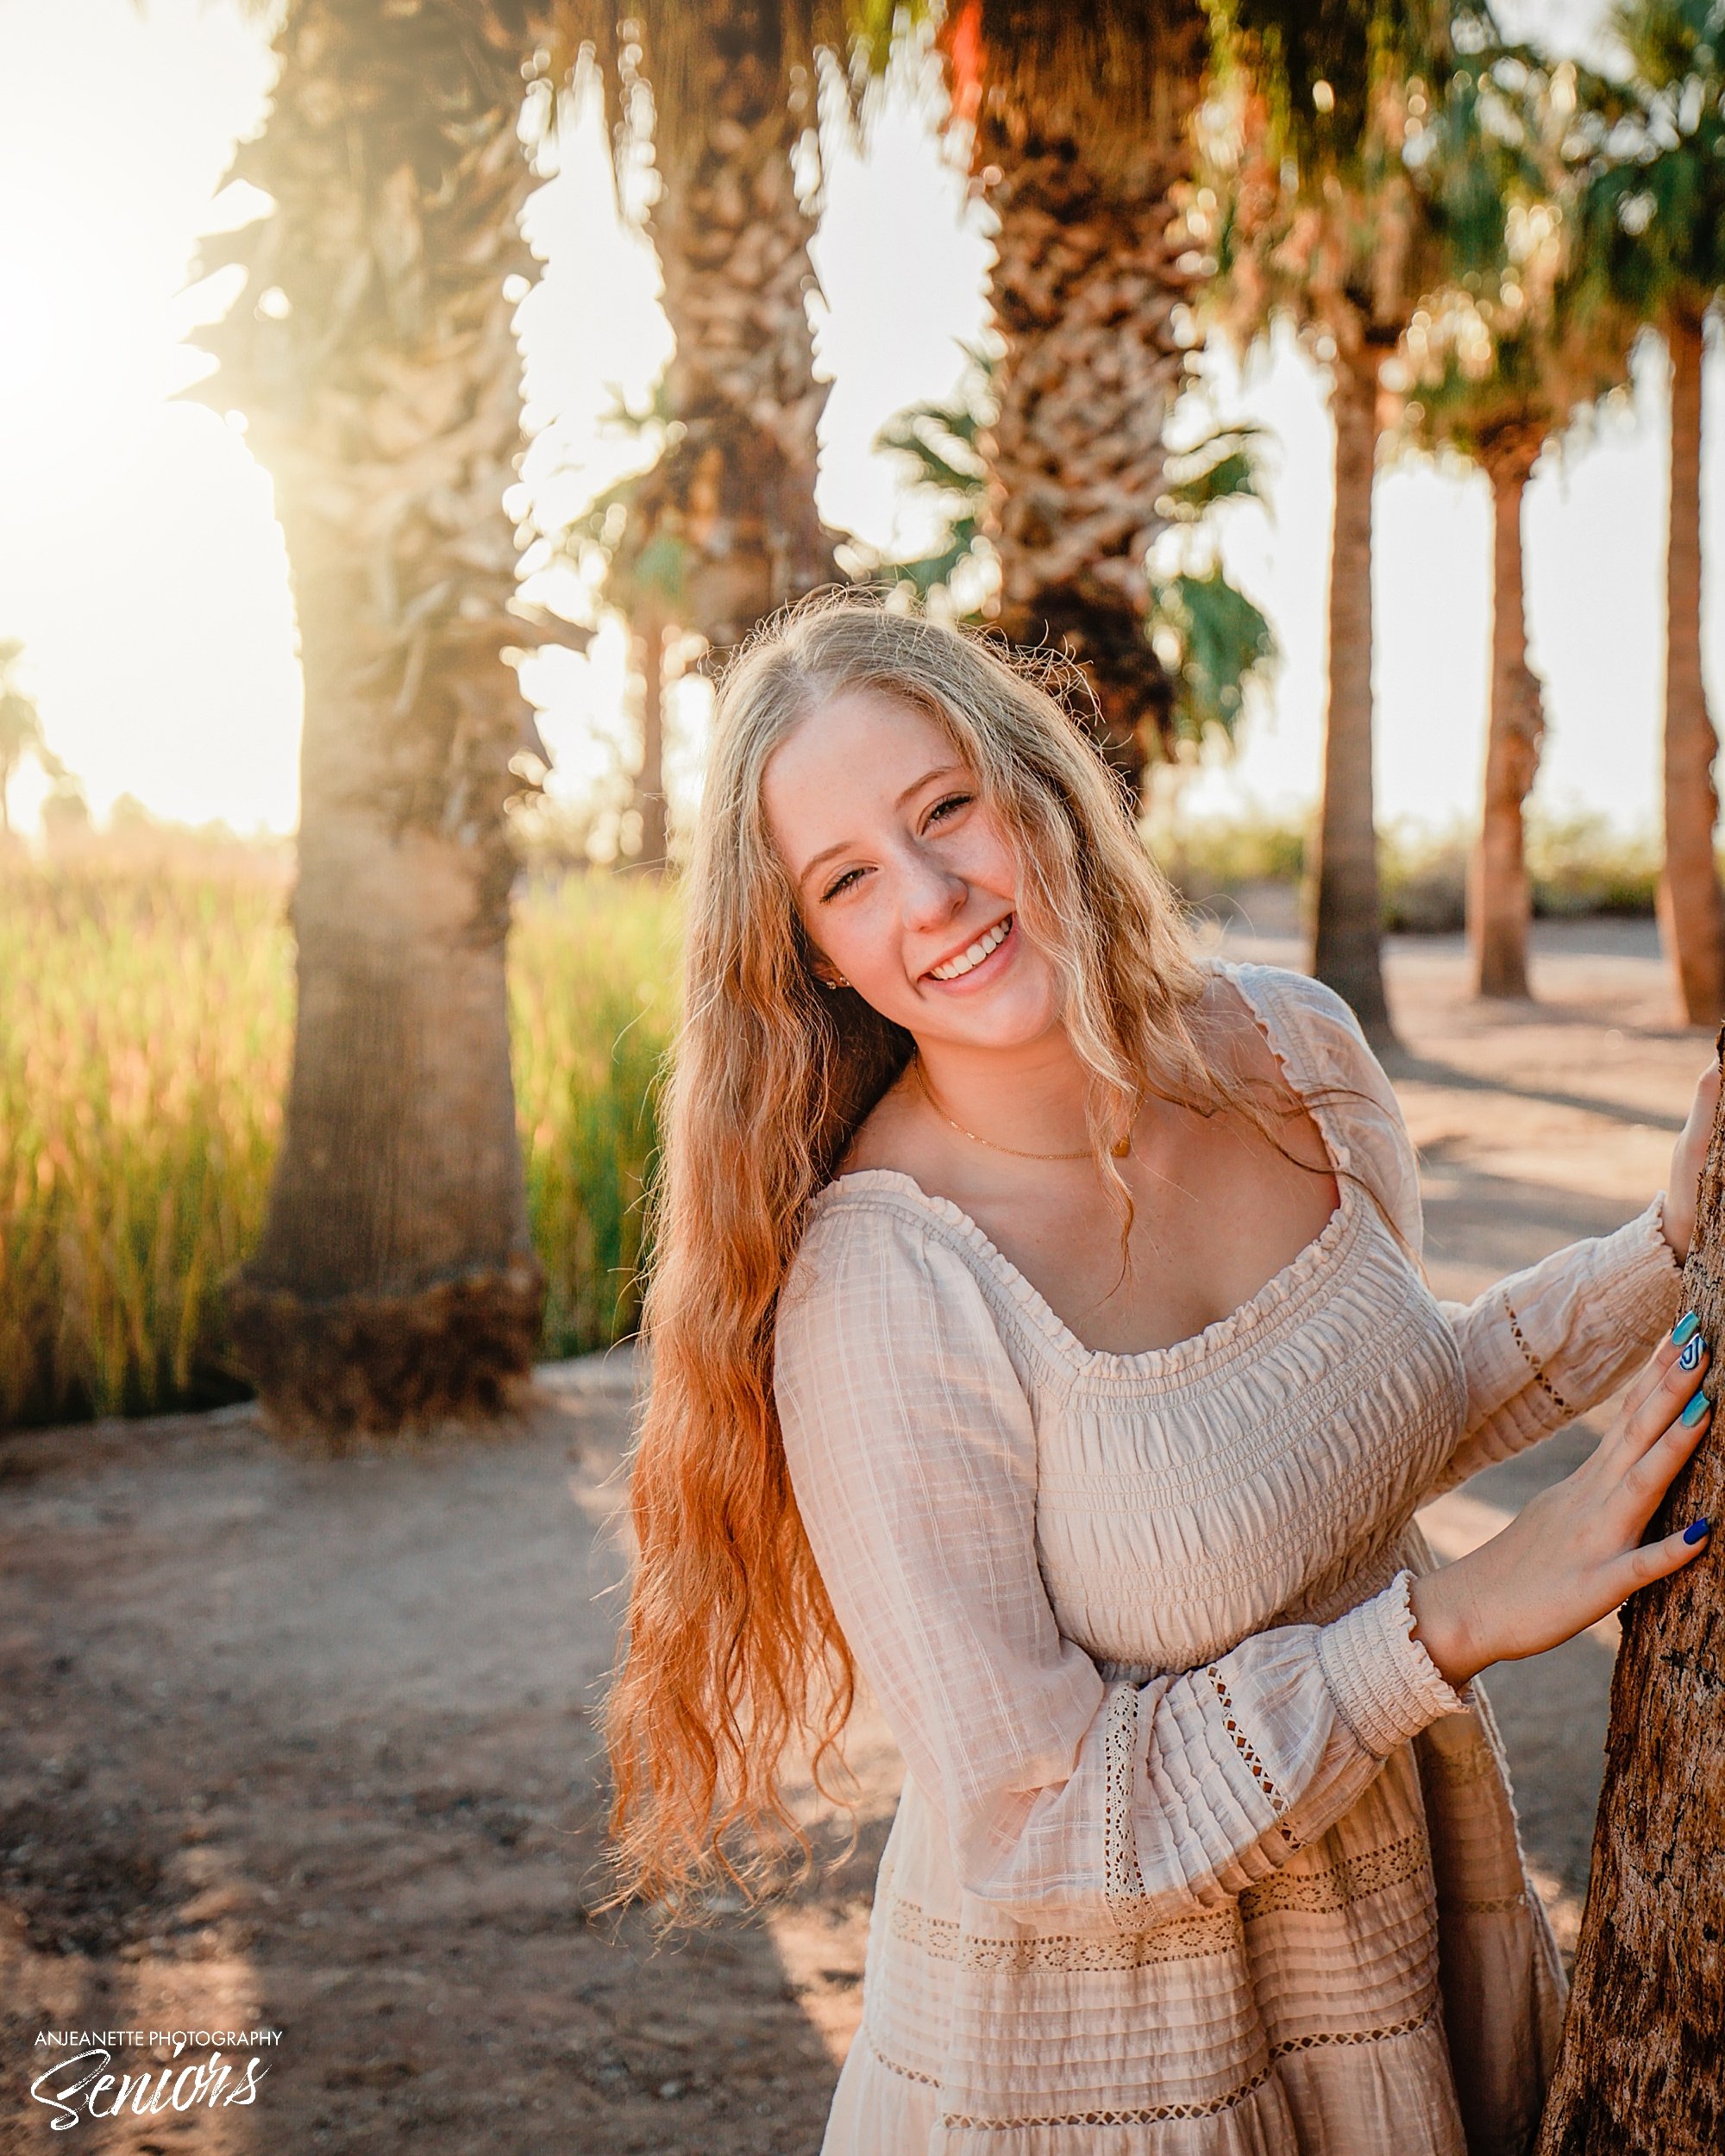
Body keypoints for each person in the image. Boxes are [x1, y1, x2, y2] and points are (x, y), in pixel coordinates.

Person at [604, 595, 1718, 2155]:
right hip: (1104, 2070)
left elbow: (1368, 1424)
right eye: (850, 879)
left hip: (1396, 1938)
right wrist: (1452, 1622)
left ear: (1036, 786)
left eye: (948, 810)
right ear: (816, 955)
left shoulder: (1296, 1051)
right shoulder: (886, 1286)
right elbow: (1034, 1821)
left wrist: (1676, 1246)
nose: (932, 897)